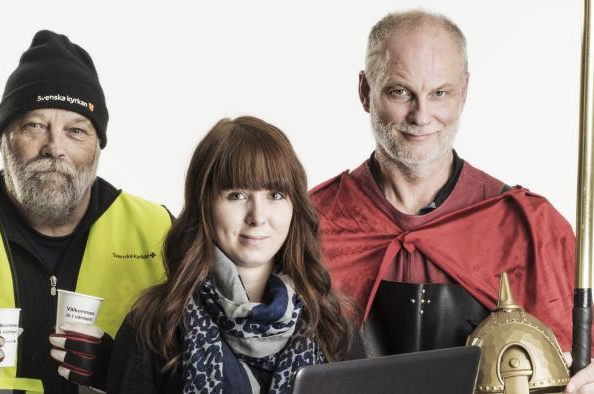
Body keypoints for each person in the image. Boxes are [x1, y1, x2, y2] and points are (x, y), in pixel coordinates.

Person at [309, 9, 594, 392]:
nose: (421, 115)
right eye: (399, 91)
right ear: (365, 91)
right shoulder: (308, 222)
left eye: (439, 93)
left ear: (464, 93)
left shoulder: (531, 227)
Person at [0, 30, 171, 393]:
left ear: (98, 147)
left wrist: (121, 371)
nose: (53, 148)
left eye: (76, 130)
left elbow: (197, 374)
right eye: (35, 126)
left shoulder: (159, 233)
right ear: (2, 138)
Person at [106, 116, 352, 394]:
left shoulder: (330, 324)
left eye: (275, 195)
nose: (257, 217)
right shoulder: (155, 326)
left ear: (295, 205)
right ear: (204, 204)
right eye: (237, 195)